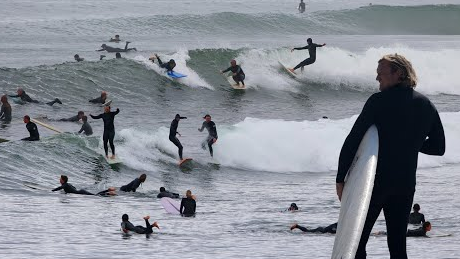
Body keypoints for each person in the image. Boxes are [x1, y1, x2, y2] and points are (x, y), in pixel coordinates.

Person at [336, 54, 445, 258]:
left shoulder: (378, 102)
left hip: (374, 184)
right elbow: (439, 147)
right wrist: (411, 141)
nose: (377, 78)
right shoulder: (426, 104)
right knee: (397, 246)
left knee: (357, 242)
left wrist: (340, 178)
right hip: (404, 185)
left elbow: (353, 140)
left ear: (399, 74)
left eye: (381, 74)